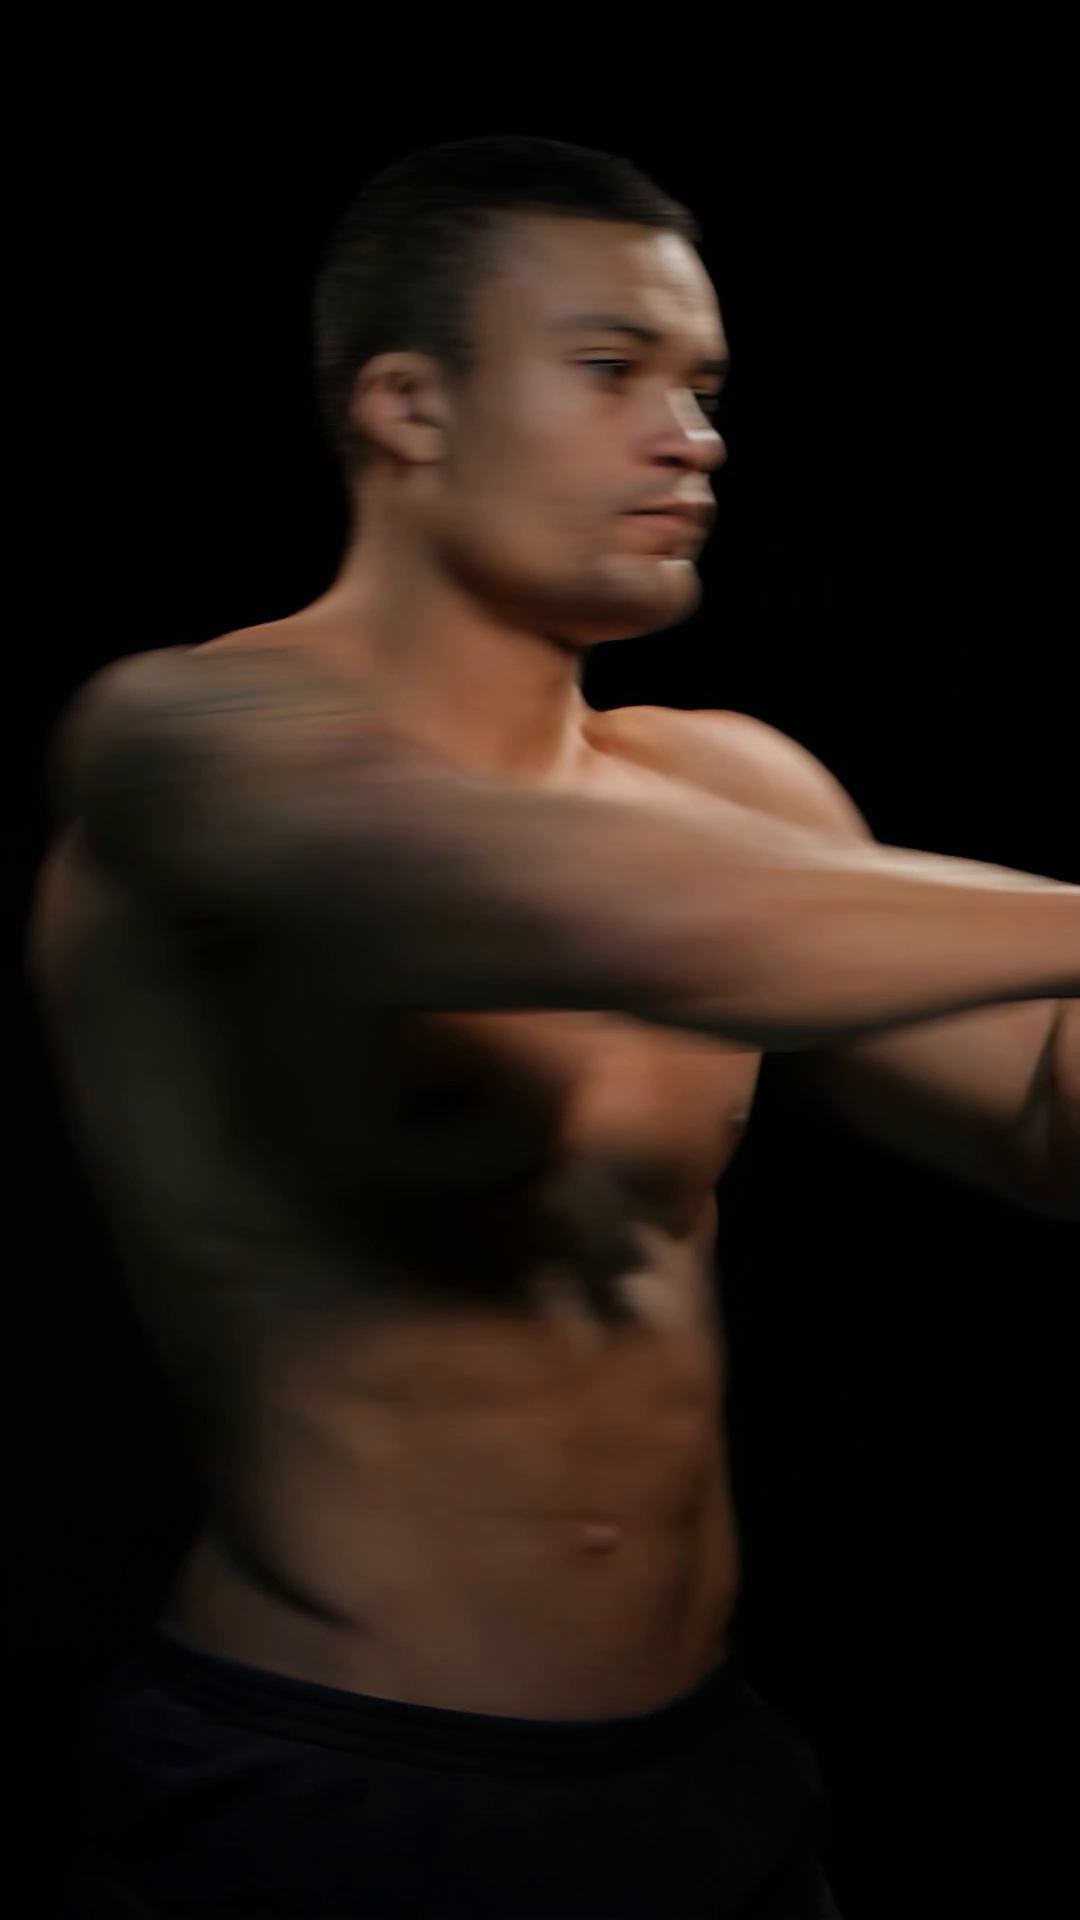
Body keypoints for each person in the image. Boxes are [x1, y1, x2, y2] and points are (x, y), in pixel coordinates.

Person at [30, 136, 1077, 1920]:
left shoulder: (731, 785)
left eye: (704, 386)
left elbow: (1045, 1117)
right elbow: (656, 926)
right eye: (612, 371)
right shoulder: (196, 753)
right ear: (409, 405)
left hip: (703, 1788)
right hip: (336, 1797)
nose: (694, 437)